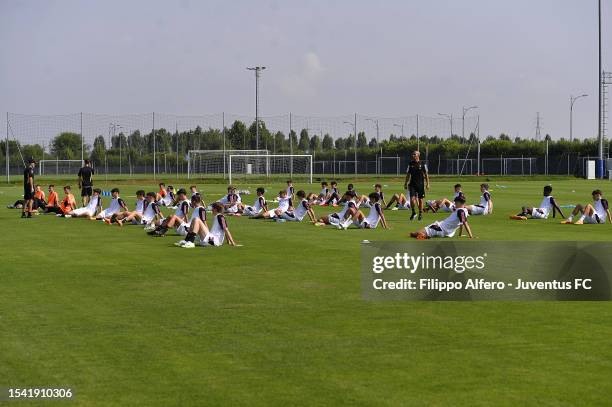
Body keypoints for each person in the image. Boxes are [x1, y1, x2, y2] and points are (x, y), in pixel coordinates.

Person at [403, 150, 429, 221]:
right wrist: (405, 183)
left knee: (420, 199)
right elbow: (408, 175)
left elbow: (426, 175)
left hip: (420, 185)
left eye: (414, 154)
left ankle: (420, 213)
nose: (413, 155)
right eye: (412, 154)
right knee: (412, 200)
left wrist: (427, 184)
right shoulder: (410, 164)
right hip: (412, 185)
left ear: (418, 155)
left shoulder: (423, 163)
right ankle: (413, 212)